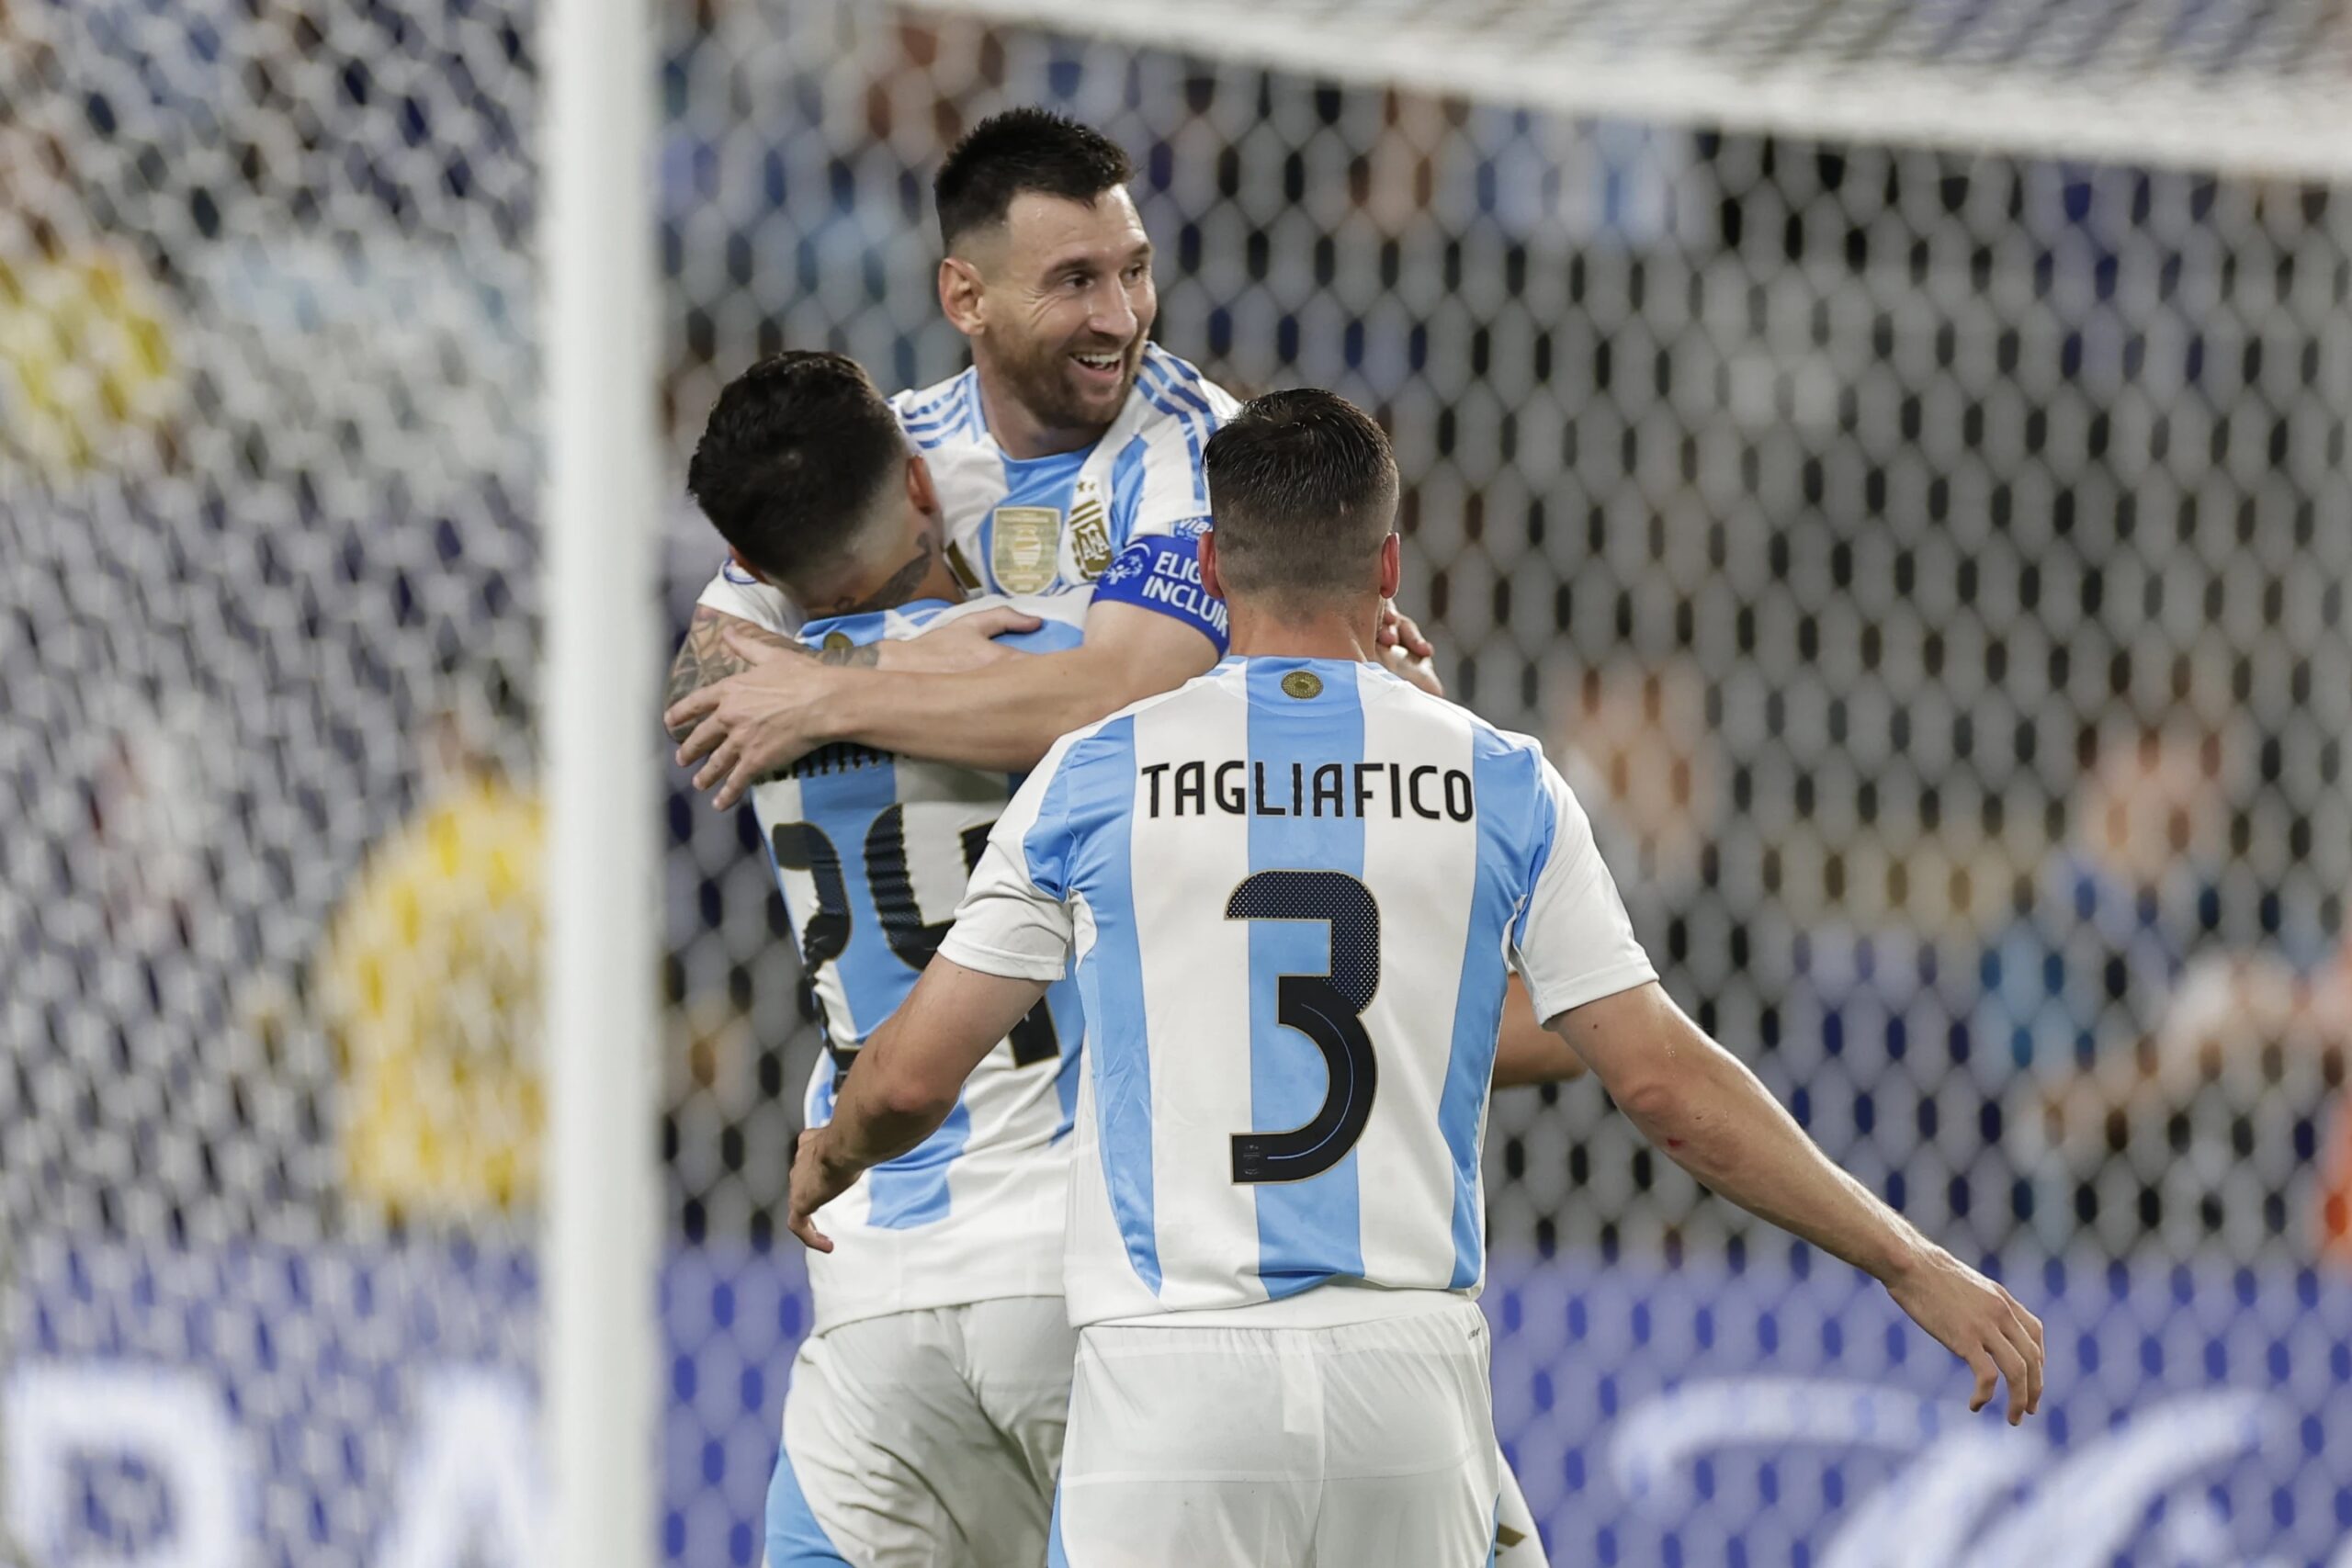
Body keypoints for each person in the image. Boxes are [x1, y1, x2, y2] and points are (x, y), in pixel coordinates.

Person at [788, 389, 2048, 1567]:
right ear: (1387, 566)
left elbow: (909, 1074)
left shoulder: (1093, 773)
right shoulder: (1497, 780)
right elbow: (1663, 1084)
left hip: (1168, 1378)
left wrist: (838, 1147)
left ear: (1214, 565)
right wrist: (1905, 1257)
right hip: (1406, 1375)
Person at [689, 355, 1577, 1567]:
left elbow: (706, 662)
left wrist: (847, 677)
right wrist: (1373, 673)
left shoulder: (752, 687)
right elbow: (1176, 678)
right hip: (1089, 1259)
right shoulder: (1062, 670)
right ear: (915, 477)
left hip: (877, 1275)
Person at [663, 106, 1437, 795]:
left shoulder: (1202, 444)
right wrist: (922, 658)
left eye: (1134, 271)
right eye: (1075, 281)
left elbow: (1114, 699)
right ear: (966, 297)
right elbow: (705, 679)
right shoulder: (894, 447)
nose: (1121, 317)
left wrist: (826, 693)